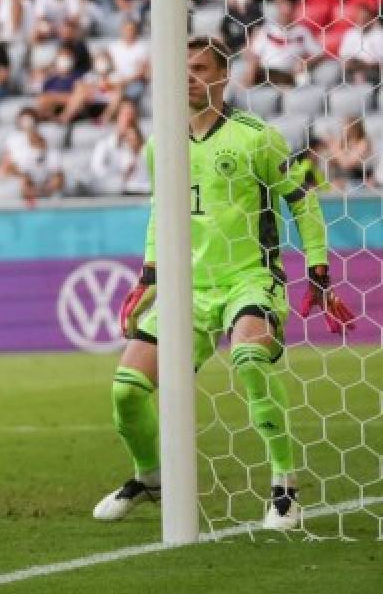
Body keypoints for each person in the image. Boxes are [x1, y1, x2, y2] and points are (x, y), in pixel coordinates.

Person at [94, 36, 355, 532]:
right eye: (181, 68)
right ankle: (150, 479)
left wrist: (318, 271)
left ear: (222, 76)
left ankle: (285, 487)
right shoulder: (160, 144)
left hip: (250, 280)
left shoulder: (258, 135)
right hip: (187, 288)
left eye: (199, 68)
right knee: (126, 391)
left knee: (250, 359)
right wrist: (149, 276)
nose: (188, 77)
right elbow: (160, 211)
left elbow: (305, 199)